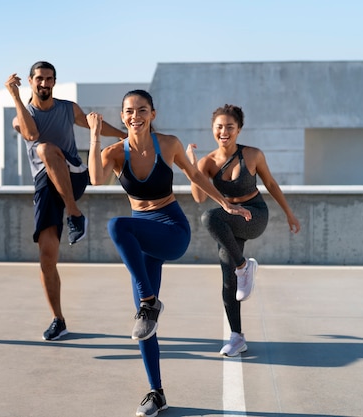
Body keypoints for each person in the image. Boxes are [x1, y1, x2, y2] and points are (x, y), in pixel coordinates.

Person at [86, 90, 251, 417]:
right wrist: (93, 136)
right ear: (122, 116)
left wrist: (225, 203)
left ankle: (149, 303)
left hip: (172, 231)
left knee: (118, 226)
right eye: (130, 111)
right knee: (143, 326)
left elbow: (195, 176)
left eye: (142, 110)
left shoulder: (169, 144)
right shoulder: (116, 153)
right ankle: (156, 392)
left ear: (153, 114)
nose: (136, 116)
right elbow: (94, 178)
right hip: (142, 236)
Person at [4, 61, 126, 341]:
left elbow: (93, 124)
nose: (44, 84)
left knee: (46, 148)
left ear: (54, 82)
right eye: (39, 79)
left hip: (74, 174)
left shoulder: (67, 108)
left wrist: (124, 135)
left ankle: (74, 214)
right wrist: (14, 96)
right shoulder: (21, 115)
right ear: (31, 82)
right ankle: (58, 319)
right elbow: (31, 133)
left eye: (49, 79)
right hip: (45, 186)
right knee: (47, 258)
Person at [186, 104, 300, 357]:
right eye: (219, 127)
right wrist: (193, 168)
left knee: (209, 218)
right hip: (227, 221)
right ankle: (237, 337)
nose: (224, 131)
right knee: (228, 280)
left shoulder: (252, 155)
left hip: (254, 215)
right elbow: (198, 197)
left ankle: (243, 267)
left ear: (239, 129)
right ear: (212, 130)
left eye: (229, 127)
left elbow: (270, 183)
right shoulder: (206, 162)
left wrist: (289, 214)